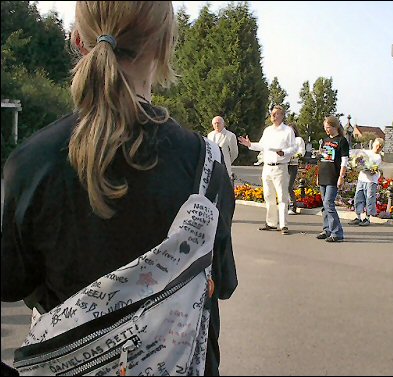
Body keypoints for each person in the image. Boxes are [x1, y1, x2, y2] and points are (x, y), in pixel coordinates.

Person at [0, 2, 237, 376]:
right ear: (164, 44)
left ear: (79, 40)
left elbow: (11, 282)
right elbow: (221, 285)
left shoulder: (30, 163)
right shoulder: (206, 164)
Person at [238, 105, 296, 235]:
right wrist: (250, 144)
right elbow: (262, 145)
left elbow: (294, 148)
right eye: (272, 113)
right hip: (267, 167)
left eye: (276, 114)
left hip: (280, 166)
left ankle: (283, 225)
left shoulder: (288, 131)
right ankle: (271, 223)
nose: (274, 116)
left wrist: (284, 152)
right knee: (268, 195)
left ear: (282, 116)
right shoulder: (268, 130)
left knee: (282, 196)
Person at [316, 115, 350, 242]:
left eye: (328, 127)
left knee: (329, 203)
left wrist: (341, 176)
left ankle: (337, 232)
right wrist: (318, 176)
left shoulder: (342, 141)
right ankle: (327, 229)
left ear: (335, 127)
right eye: (325, 127)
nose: (326, 130)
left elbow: (344, 160)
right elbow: (322, 159)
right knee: (324, 205)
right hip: (324, 175)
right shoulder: (325, 141)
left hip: (333, 176)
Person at [349, 138, 385, 227]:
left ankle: (367, 218)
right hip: (362, 179)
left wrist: (370, 169)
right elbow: (358, 160)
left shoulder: (378, 157)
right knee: (358, 197)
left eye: (380, 147)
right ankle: (358, 217)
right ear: (373, 144)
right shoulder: (366, 152)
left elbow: (374, 169)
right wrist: (356, 163)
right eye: (377, 145)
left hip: (371, 181)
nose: (378, 148)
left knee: (369, 199)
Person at [287, 123, 306, 215]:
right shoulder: (285, 140)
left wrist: (294, 157)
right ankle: (285, 204)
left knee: (289, 186)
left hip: (292, 165)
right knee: (282, 186)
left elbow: (301, 152)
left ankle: (293, 205)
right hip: (283, 164)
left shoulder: (298, 140)